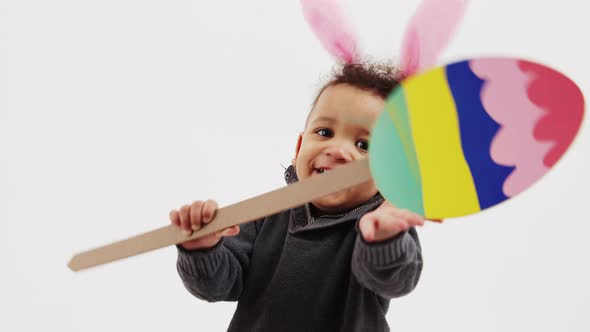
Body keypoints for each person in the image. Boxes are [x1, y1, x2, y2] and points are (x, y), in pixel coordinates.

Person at [170, 62, 425, 332]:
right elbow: (216, 286)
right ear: (299, 147)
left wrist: (384, 239)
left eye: (364, 145)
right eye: (325, 132)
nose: (338, 150)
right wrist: (202, 249)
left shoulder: (383, 224)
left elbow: (395, 281)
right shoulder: (268, 212)